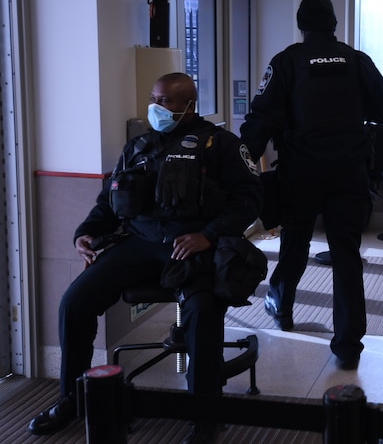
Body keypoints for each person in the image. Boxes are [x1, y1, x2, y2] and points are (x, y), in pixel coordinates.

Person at [28, 73, 264, 443]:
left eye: (166, 101)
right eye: (154, 98)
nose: (157, 107)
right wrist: (85, 233)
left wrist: (208, 236)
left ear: (190, 105)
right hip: (139, 244)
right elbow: (109, 201)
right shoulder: (137, 147)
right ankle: (72, 398)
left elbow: (249, 199)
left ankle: (204, 415)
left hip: (194, 245)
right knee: (75, 301)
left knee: (202, 312)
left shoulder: (221, 144)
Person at [241, 0, 383, 370]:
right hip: (349, 173)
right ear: (334, 24)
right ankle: (347, 346)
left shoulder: (287, 62)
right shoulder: (357, 60)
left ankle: (281, 304)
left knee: (295, 243)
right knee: (346, 256)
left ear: (301, 24)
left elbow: (262, 119)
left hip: (302, 172)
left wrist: (240, 162)